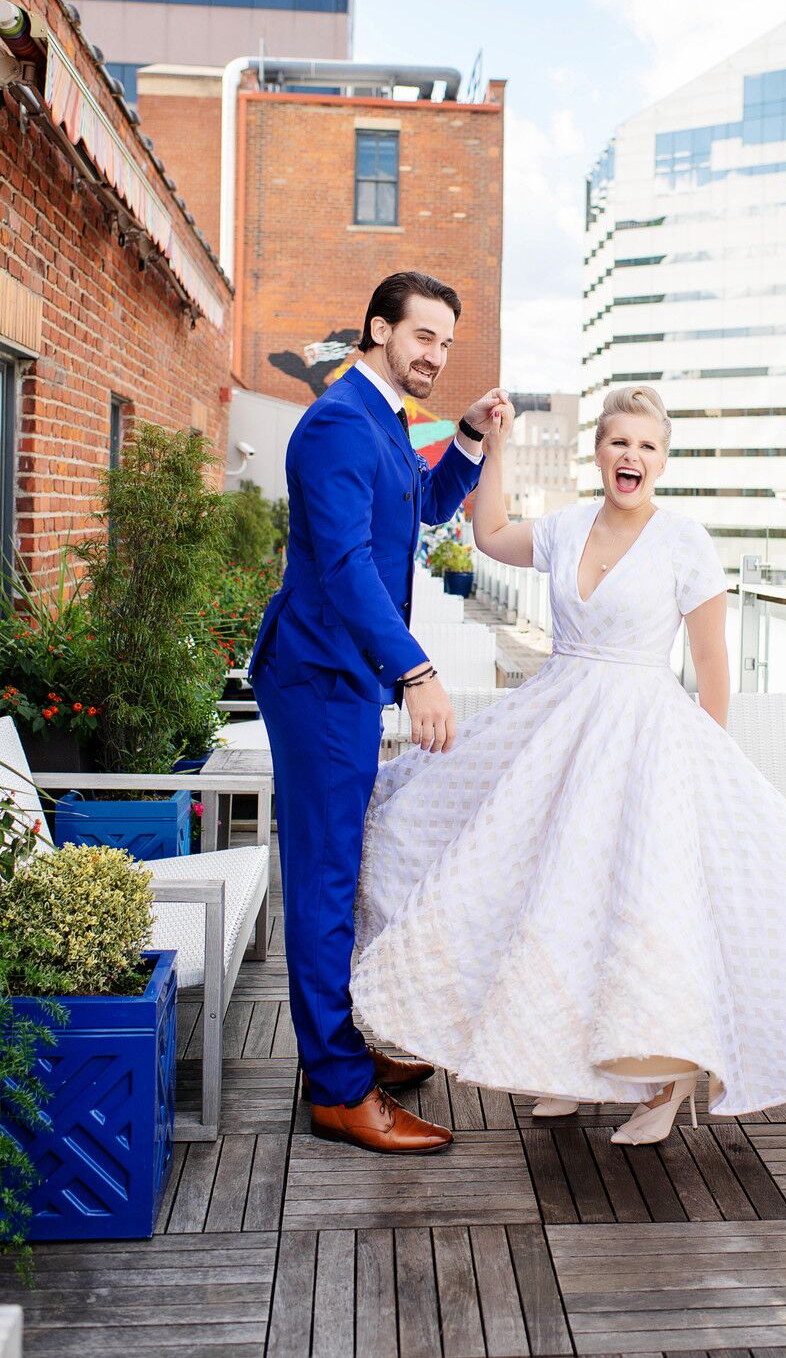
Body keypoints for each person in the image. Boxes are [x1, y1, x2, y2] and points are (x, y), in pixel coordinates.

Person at [350, 384, 786, 1145]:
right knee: (548, 890)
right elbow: (491, 534)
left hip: (647, 737)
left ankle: (666, 1084)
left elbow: (712, 667)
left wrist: (707, 771)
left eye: (646, 445)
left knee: (641, 905)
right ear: (598, 452)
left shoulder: (685, 543)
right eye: (617, 442)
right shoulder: (569, 526)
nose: (629, 456)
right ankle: (567, 1070)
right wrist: (495, 447)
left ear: (661, 461)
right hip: (560, 725)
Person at [251, 269, 509, 1154]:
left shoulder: (387, 422)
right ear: (376, 329)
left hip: (344, 677)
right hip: (322, 678)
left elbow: (423, 505)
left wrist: (468, 440)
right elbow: (347, 566)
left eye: (445, 341)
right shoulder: (334, 424)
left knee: (340, 870)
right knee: (323, 881)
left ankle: (341, 1045)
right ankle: (336, 1089)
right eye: (421, 336)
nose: (435, 354)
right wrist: (417, 670)